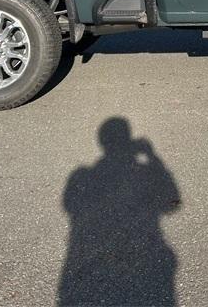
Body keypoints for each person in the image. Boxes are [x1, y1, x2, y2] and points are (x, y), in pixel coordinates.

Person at [58, 118, 180, 306]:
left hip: (82, 259)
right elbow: (170, 203)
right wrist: (152, 156)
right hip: (144, 254)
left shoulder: (81, 175)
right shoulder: (141, 170)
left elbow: (69, 205)